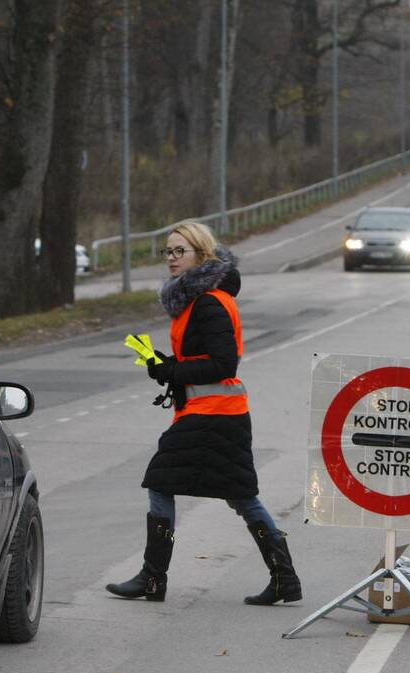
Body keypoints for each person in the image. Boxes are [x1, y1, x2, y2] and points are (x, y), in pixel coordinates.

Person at [106, 222, 302, 606]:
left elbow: (223, 364)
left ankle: (152, 578)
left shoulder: (209, 301)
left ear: (202, 254)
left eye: (180, 251)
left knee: (162, 480)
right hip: (213, 412)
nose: (171, 259)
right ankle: (285, 579)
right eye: (168, 252)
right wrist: (166, 365)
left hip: (214, 414)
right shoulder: (198, 301)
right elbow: (201, 360)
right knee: (241, 495)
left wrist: (172, 371)